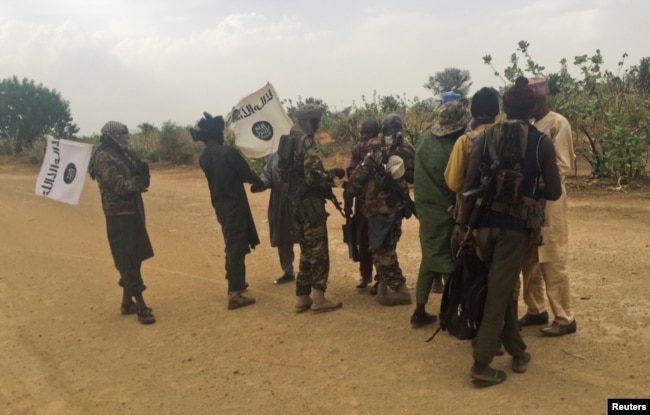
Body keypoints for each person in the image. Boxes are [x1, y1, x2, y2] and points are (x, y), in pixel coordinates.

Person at [459, 76, 562, 386]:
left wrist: (462, 226)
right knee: (498, 292)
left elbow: (468, 186)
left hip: (484, 225)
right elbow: (555, 192)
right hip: (515, 230)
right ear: (532, 108)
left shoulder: (484, 138)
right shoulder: (541, 142)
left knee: (499, 288)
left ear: (504, 107)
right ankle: (481, 362)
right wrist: (529, 189)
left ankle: (518, 351)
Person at [518, 77, 578, 336]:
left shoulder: (557, 123)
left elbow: (563, 165)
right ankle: (536, 309)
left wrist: (533, 180)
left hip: (550, 200)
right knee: (529, 258)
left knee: (552, 257)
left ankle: (565, 319)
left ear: (539, 100)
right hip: (532, 201)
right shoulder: (533, 125)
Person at [192, 112, 264, 310]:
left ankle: (237, 282)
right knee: (236, 246)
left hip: (221, 205)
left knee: (232, 241)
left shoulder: (204, 156)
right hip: (235, 204)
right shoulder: (227, 153)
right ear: (217, 134)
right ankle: (235, 293)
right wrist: (260, 182)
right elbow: (245, 173)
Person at [88, 121, 156, 325]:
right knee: (127, 259)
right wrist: (137, 183)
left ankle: (127, 303)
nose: (125, 139)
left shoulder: (122, 153)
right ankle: (141, 307)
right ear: (110, 137)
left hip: (133, 210)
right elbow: (119, 185)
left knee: (135, 256)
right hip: (118, 215)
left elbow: (140, 171)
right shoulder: (103, 157)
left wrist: (137, 160)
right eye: (122, 135)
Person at [411, 100, 471, 326]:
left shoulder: (425, 140)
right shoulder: (455, 147)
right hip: (446, 211)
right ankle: (452, 311)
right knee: (449, 260)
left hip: (426, 210)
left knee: (430, 256)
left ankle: (420, 308)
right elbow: (457, 183)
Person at [280, 104, 345, 313]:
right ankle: (319, 299)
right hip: (310, 206)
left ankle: (302, 297)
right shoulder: (307, 142)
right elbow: (313, 176)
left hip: (294, 204)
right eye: (315, 121)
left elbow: (281, 173)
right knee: (319, 252)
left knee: (307, 251)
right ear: (308, 121)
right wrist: (331, 175)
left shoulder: (287, 140)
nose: (317, 126)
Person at [345, 114, 414, 306]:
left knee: (381, 250)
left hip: (377, 209)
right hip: (397, 207)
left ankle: (399, 287)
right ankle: (383, 284)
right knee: (388, 246)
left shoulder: (375, 146)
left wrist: (349, 196)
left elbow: (357, 179)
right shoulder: (408, 148)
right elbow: (412, 176)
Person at [343, 119, 379, 289]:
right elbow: (350, 172)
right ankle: (365, 275)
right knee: (363, 240)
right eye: (362, 134)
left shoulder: (383, 150)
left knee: (380, 241)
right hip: (362, 202)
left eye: (368, 133)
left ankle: (382, 277)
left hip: (380, 203)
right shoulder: (357, 149)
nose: (364, 137)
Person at [252, 151, 297, 285]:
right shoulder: (274, 157)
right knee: (283, 237)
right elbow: (267, 176)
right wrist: (259, 184)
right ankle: (288, 271)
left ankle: (310, 271)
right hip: (280, 203)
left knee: (306, 237)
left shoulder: (300, 152)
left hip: (299, 203)